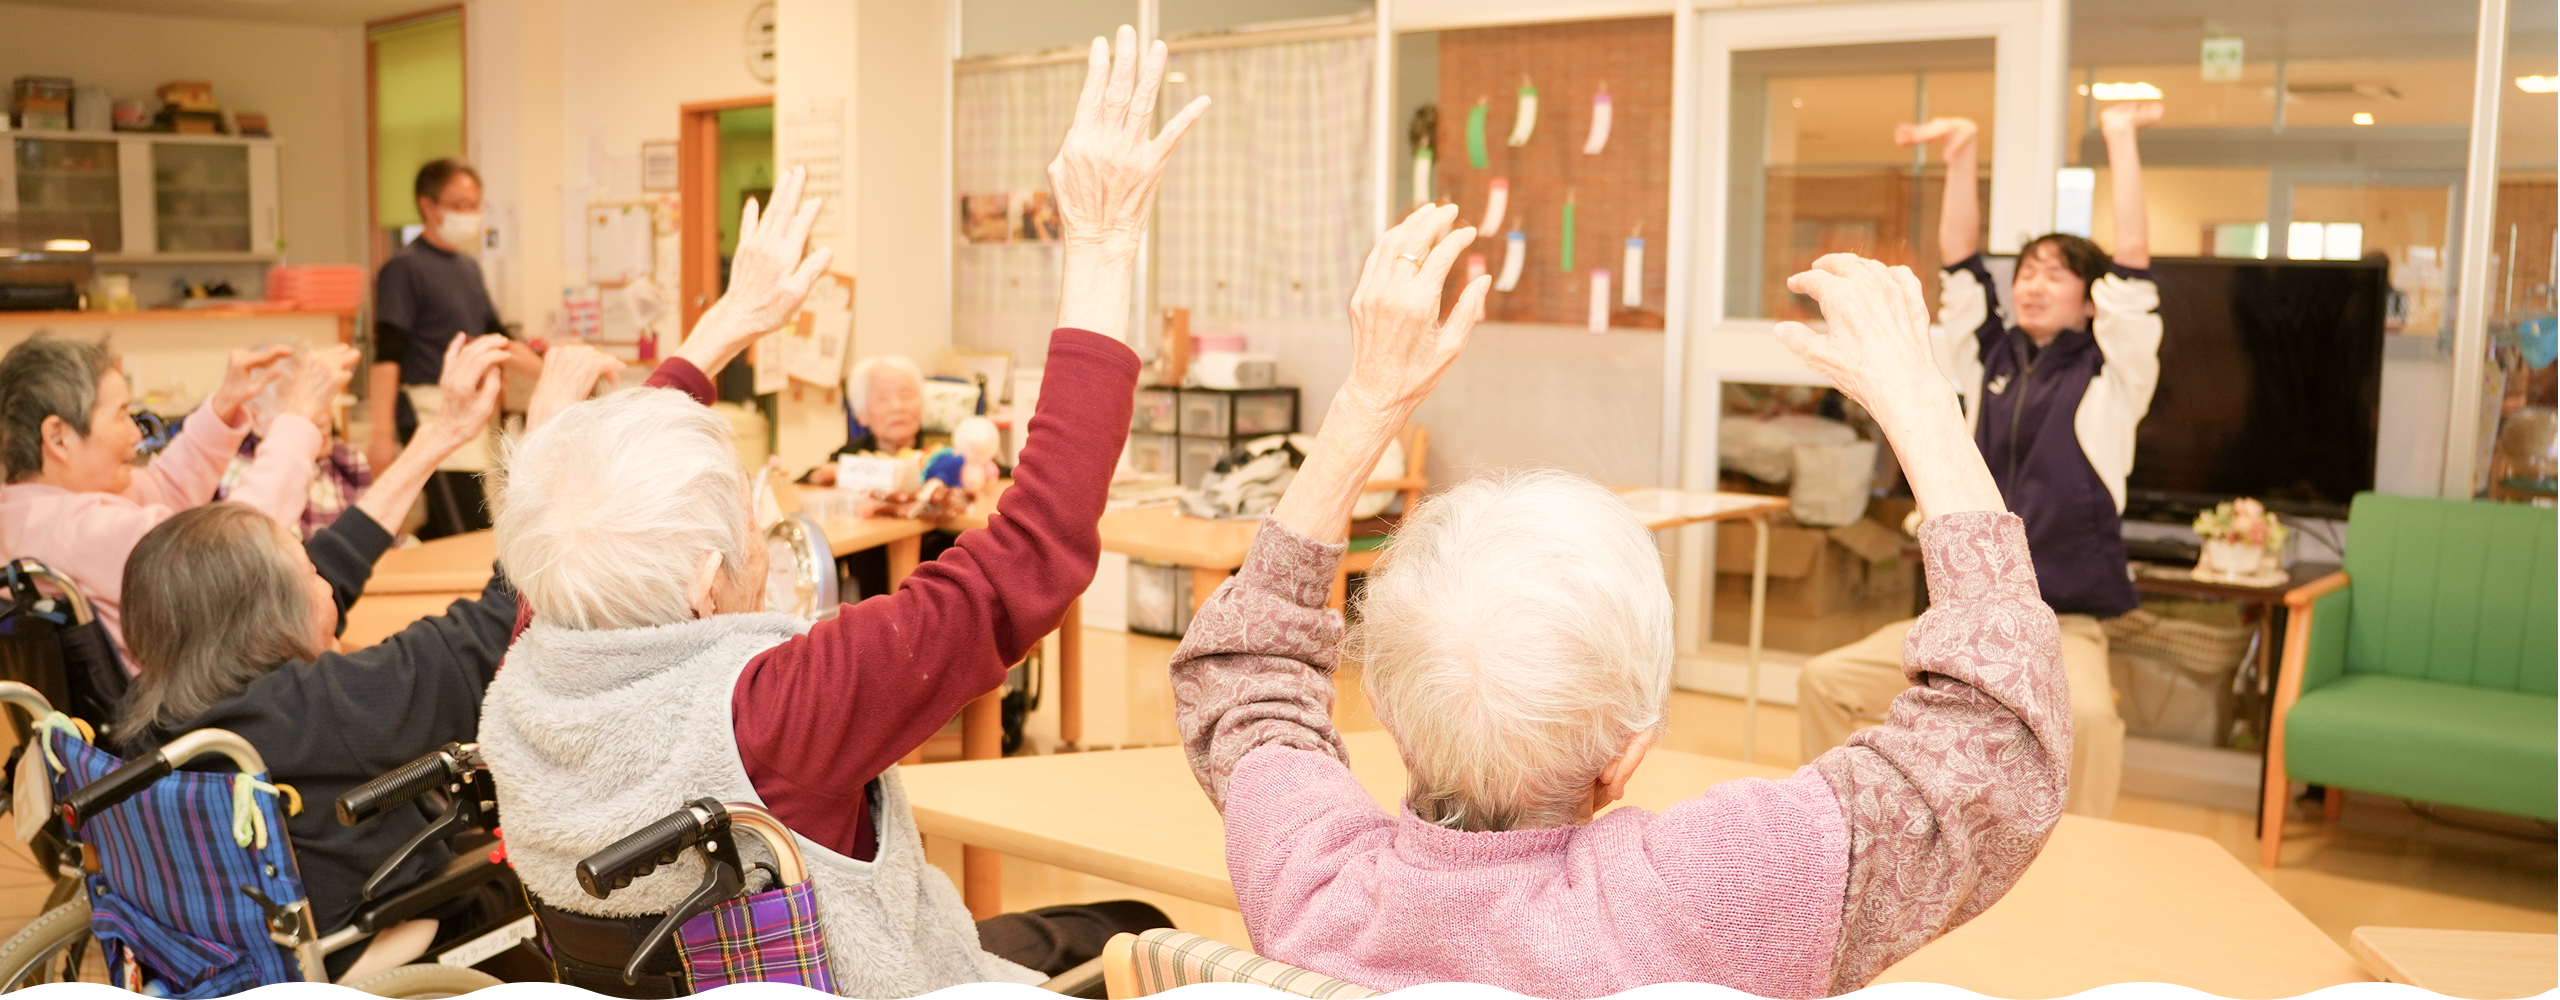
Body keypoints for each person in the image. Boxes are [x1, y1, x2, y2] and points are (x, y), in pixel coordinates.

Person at [474, 29, 1207, 994]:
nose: (759, 527)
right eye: (749, 516)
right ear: (704, 586)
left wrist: (726, 324)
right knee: (1139, 932)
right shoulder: (773, 714)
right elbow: (1039, 548)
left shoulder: (533, 663)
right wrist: (1105, 244)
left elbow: (589, 499)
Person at [1170, 243, 2069, 998]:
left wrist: (1367, 401)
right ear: (1625, 755)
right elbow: (1997, 749)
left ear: (1389, 709)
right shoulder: (1705, 901)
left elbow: (1247, 674)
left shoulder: (1310, 880)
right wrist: (1919, 399)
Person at [113, 335, 624, 981]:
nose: (324, 574)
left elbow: (338, 562)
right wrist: (544, 437)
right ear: (269, 619)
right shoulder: (330, 708)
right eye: (306, 566)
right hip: (383, 940)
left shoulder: (158, 709)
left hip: (237, 944)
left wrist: (442, 434)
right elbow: (500, 621)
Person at [1795, 103, 2164, 818]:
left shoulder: (2115, 375)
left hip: (2064, 621)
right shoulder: (1980, 361)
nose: (2032, 284)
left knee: (2087, 720)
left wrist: (2118, 139)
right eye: (2026, 271)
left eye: (2056, 276)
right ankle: (1840, 834)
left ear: (2092, 303)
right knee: (1823, 679)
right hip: (1967, 615)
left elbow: (2135, 264)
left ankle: (2079, 861)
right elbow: (1960, 265)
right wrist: (1961, 153)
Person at [1, 335, 355, 670]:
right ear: (58, 437)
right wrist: (297, 419)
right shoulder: (78, 532)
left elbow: (162, 488)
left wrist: (222, 406)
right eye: (122, 414)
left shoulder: (30, 513)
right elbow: (240, 545)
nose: (136, 434)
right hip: (183, 718)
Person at [365, 157, 542, 541]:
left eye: (475, 205)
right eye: (459, 205)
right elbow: (387, 357)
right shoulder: (404, 269)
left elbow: (497, 340)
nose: (469, 214)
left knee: (460, 523)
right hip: (429, 409)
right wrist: (380, 434)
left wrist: (552, 371)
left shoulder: (468, 268)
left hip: (471, 413)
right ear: (428, 205)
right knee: (462, 527)